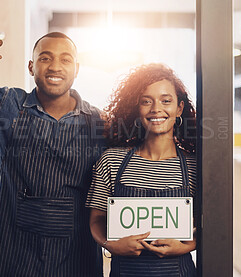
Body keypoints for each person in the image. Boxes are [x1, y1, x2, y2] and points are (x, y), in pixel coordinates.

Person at [0, 29, 105, 276]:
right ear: (31, 67)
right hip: (16, 260)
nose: (55, 66)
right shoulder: (6, 105)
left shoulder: (98, 122)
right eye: (45, 58)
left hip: (78, 261)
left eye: (65, 59)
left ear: (77, 69)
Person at [86, 63, 197, 276]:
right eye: (147, 101)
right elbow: (96, 219)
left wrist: (186, 246)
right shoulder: (112, 161)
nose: (156, 109)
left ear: (179, 108)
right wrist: (110, 245)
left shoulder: (193, 166)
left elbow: (209, 226)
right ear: (137, 108)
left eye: (166, 101)